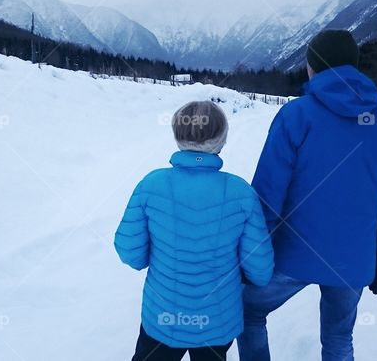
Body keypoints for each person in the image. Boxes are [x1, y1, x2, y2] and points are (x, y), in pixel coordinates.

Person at [238, 29, 377, 361]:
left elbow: (268, 191)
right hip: (355, 258)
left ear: (312, 67)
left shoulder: (296, 115)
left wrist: (253, 250)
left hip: (293, 254)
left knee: (246, 313)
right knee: (338, 337)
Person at [115, 100, 275, 361]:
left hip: (162, 318)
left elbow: (130, 253)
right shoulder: (241, 192)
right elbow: (260, 270)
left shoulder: (151, 184)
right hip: (217, 322)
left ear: (177, 136)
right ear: (221, 139)